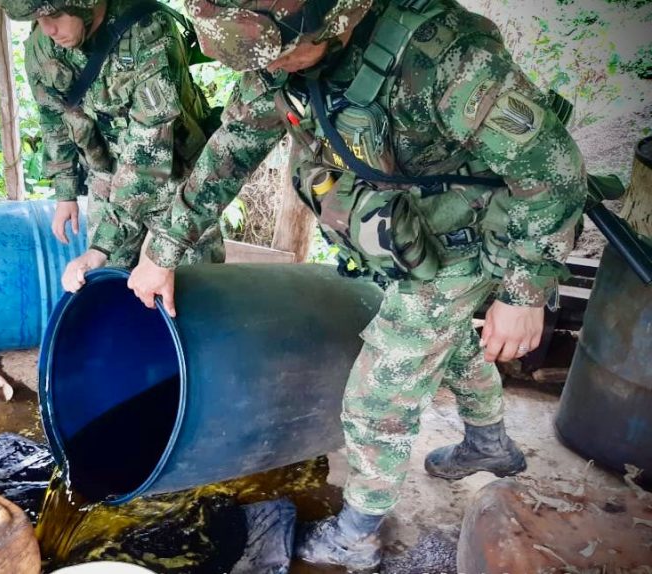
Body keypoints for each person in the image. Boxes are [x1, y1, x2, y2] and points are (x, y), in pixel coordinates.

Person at [127, 0, 587, 569]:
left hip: (465, 241)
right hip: (400, 235)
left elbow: (556, 172)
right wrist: (162, 248)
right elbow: (231, 148)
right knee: (450, 344)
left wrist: (523, 293)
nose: (274, 71)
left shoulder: (446, 59)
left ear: (332, 19)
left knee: (378, 397)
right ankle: (489, 442)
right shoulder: (275, 56)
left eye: (286, 54)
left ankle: (358, 533)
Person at [2, 0, 226, 293]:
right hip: (108, 176)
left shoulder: (149, 30)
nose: (48, 29)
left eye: (55, 15)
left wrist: (100, 246)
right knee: (110, 285)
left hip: (178, 176)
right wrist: (65, 191)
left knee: (193, 290)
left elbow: (151, 147)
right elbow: (53, 118)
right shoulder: (42, 46)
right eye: (37, 18)